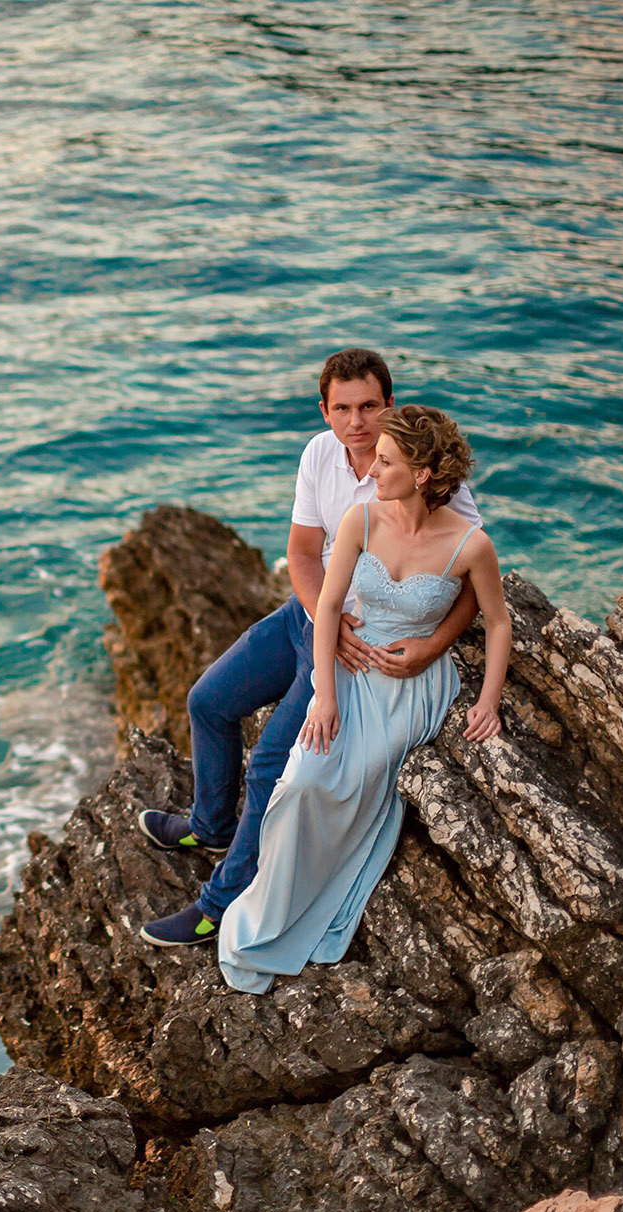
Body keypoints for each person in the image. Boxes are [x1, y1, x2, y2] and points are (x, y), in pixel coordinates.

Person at [137, 349, 482, 947]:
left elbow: (473, 576)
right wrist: (326, 614)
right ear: (324, 410)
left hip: (360, 648)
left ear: (389, 406)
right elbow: (301, 554)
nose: (357, 422)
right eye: (343, 408)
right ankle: (210, 824)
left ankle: (219, 904)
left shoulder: (419, 469)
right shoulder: (318, 454)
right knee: (207, 701)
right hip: (310, 616)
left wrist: (431, 645)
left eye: (369, 406)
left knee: (273, 761)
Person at [217, 405, 510, 991]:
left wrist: (489, 702)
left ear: (422, 473)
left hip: (412, 688)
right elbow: (326, 606)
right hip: (348, 672)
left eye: (386, 460)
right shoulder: (360, 519)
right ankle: (262, 915)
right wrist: (323, 695)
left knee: (363, 776)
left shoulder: (471, 544)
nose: (372, 468)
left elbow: (498, 623)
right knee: (301, 781)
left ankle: (322, 903)